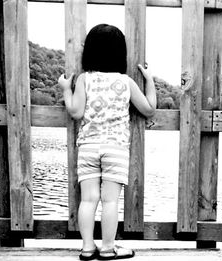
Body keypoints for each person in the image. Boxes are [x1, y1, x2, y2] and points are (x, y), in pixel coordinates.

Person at [58, 24, 156, 260]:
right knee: (110, 200)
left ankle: (87, 248)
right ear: (120, 54)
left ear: (89, 52)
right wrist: (150, 81)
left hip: (88, 146)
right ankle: (109, 249)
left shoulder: (84, 79)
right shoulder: (126, 82)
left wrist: (65, 89)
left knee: (88, 199)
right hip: (116, 148)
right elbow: (149, 109)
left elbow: (75, 112)